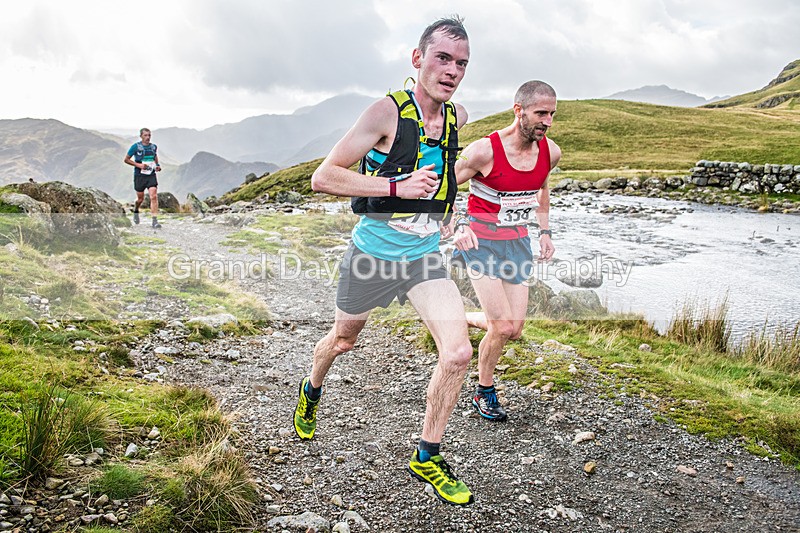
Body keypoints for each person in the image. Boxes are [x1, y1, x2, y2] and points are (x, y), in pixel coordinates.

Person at [293, 16, 475, 506]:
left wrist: (449, 218)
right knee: (343, 341)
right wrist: (396, 187)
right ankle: (312, 387)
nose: (452, 71)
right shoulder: (384, 113)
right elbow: (323, 177)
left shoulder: (455, 118)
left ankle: (427, 455)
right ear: (417, 59)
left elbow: (443, 178)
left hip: (423, 258)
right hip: (372, 256)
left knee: (458, 353)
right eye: (442, 58)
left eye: (461, 63)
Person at [451, 80, 561, 422]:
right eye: (541, 113)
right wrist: (459, 225)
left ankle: (459, 319)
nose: (547, 121)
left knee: (515, 329)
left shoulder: (551, 152)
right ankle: (484, 391)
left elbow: (542, 189)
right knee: (500, 327)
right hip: (480, 243)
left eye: (552, 114)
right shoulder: (483, 151)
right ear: (519, 110)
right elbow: (445, 186)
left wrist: (544, 232)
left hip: (517, 243)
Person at [124, 128, 162, 228]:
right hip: (139, 176)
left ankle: (155, 221)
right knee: (140, 199)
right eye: (145, 135)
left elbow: (154, 156)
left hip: (151, 175)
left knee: (153, 196)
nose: (148, 137)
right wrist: (139, 165)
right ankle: (136, 209)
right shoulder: (135, 147)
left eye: (149, 135)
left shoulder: (153, 147)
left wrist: (157, 165)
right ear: (141, 136)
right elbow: (126, 160)